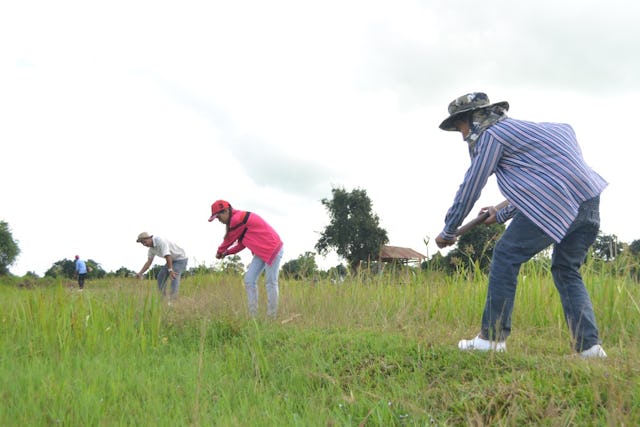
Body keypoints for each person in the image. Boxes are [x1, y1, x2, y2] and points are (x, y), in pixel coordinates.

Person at [435, 92, 608, 358]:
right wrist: (501, 214)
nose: (461, 136)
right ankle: (590, 348)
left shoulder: (492, 136)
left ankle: (491, 339)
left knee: (506, 255)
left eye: (460, 128)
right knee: (566, 269)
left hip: (558, 200)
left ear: (473, 119)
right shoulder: (544, 131)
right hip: (588, 200)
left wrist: (449, 229)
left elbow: (472, 185)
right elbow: (548, 181)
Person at [208, 199, 284, 318]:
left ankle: (271, 318)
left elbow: (229, 240)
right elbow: (241, 244)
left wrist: (220, 252)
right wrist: (226, 253)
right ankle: (253, 316)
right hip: (261, 252)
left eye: (218, 217)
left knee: (271, 282)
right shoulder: (239, 222)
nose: (219, 220)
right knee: (249, 280)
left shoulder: (237, 219)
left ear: (226, 211)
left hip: (273, 248)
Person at [136, 232, 188, 300]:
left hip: (180, 259)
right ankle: (162, 299)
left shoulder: (159, 240)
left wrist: (170, 270)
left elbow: (167, 255)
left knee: (173, 276)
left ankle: (173, 300)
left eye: (145, 242)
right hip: (171, 260)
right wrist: (140, 273)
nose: (144, 244)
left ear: (149, 238)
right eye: (142, 243)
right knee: (160, 276)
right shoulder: (151, 250)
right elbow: (148, 263)